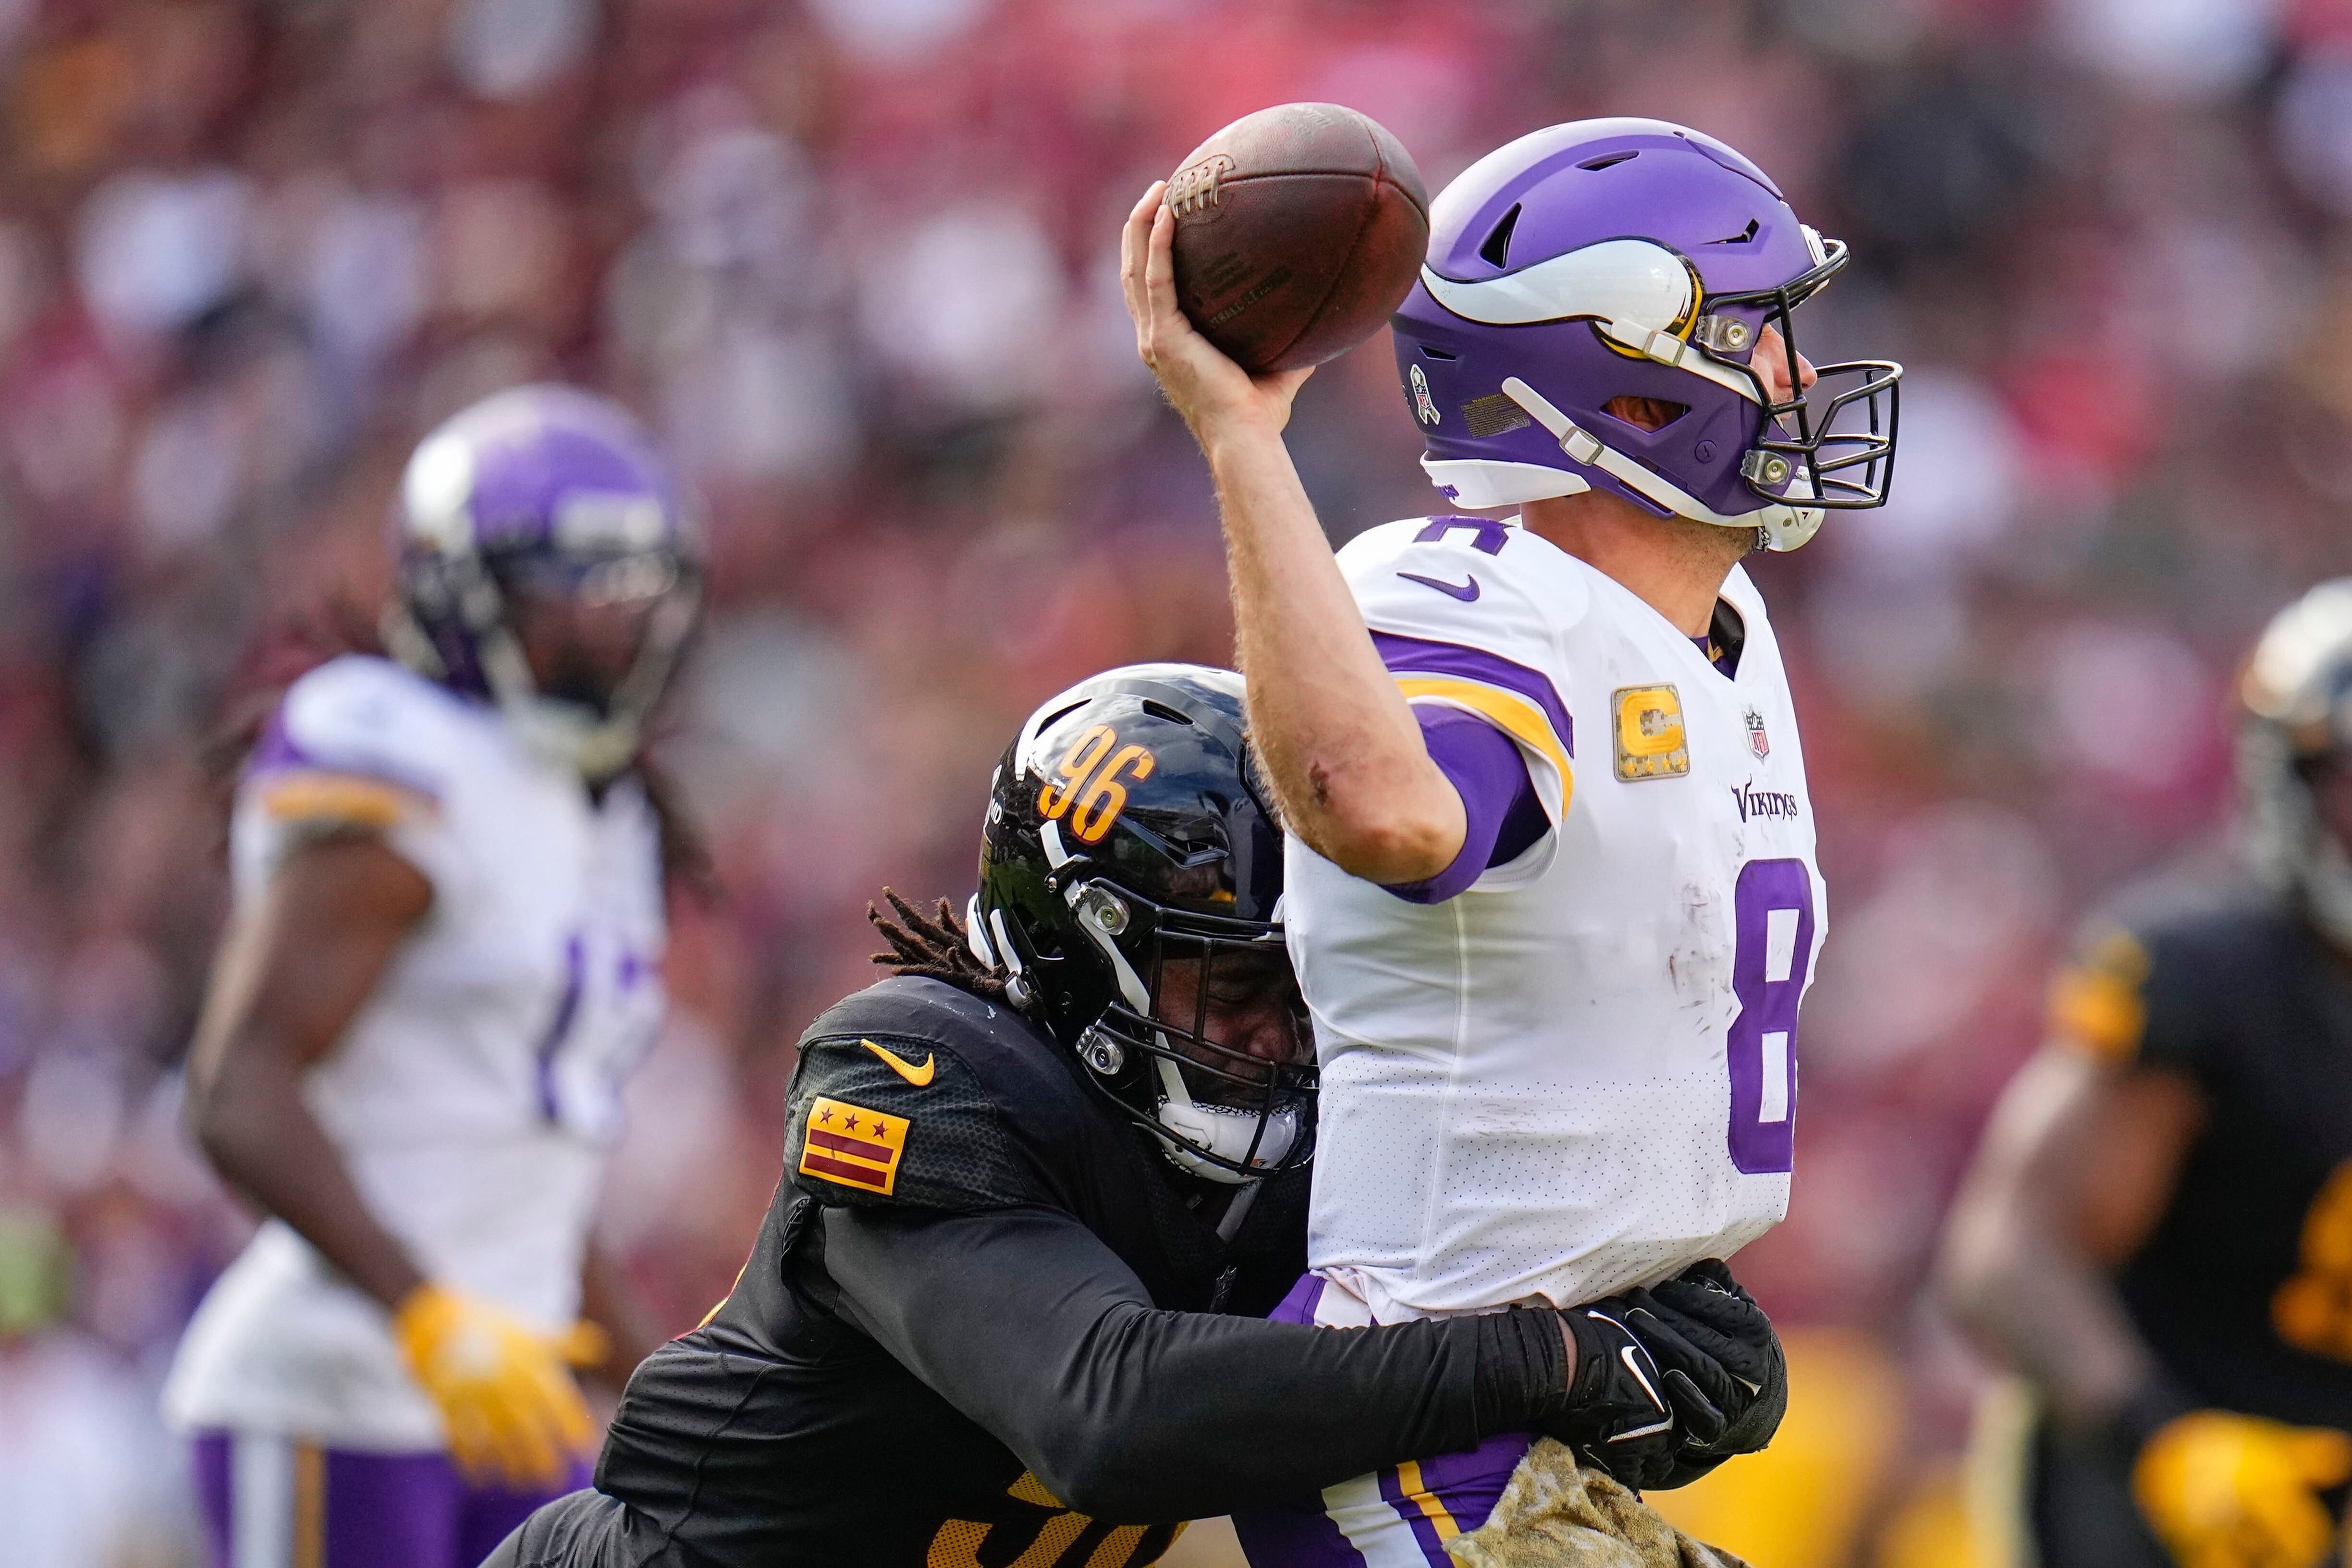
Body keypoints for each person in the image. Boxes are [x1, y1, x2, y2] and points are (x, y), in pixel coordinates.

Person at [485, 663, 1771, 1568]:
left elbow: (1716, 1359)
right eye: (1237, 988)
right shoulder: (911, 1076)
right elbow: (1107, 1418)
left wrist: (1655, 1345)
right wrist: (1543, 1358)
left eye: (1311, 985)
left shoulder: (1295, 1133)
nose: (1289, 1040)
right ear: (1079, 950)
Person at [1119, 116, 1904, 1556]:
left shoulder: (1713, 630)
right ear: (1619, 382)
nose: (1794, 375)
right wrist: (1244, 440)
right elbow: (1391, 812)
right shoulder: (1471, 593)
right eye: (1749, 334)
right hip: (1424, 1443)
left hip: (1547, 1434)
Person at [162, 384, 703, 1568]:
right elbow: (237, 1087)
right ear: (467, 587)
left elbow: (525, 1172)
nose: (613, 625)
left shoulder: (599, 813)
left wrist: (695, 1403)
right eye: (577, 586)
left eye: (634, 589)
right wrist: (426, 1315)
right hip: (336, 1392)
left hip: (508, 1397)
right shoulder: (402, 756)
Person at [1942, 581, 2352, 1568]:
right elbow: (2008, 1253)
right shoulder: (2209, 980)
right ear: (2293, 776)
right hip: (2170, 1485)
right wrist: (2164, 1439)